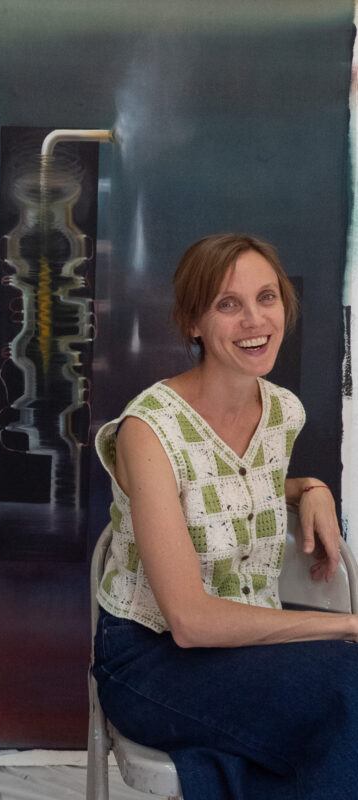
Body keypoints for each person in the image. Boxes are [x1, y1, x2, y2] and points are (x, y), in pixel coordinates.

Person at [92, 233, 358, 800]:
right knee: (347, 687)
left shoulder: (284, 411)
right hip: (153, 660)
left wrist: (310, 487)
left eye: (267, 297)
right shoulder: (149, 429)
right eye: (227, 304)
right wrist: (348, 626)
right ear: (193, 321)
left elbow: (231, 487)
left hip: (244, 649)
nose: (254, 320)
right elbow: (191, 622)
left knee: (342, 706)